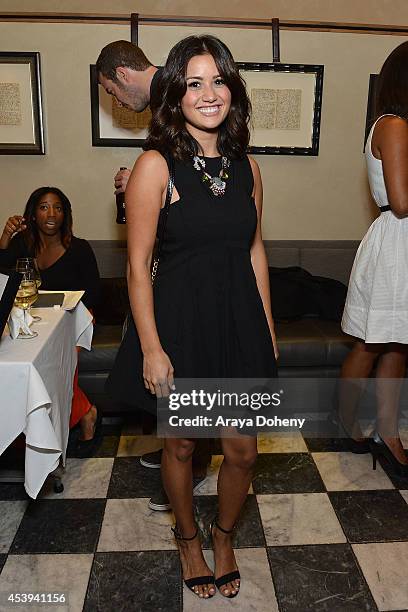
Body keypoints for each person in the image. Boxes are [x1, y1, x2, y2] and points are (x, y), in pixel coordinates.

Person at [107, 34, 278, 598]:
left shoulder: (248, 168)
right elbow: (136, 268)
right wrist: (152, 348)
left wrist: (267, 326)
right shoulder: (155, 164)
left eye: (219, 80)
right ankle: (187, 540)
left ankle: (224, 535)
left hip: (239, 322)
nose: (209, 93)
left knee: (242, 451)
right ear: (176, 92)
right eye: (195, 82)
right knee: (181, 445)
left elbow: (255, 250)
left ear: (233, 89)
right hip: (180, 323)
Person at [97, 39, 212, 505]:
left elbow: (203, 162)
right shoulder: (163, 101)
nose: (115, 101)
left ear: (123, 75)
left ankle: (191, 461)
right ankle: (177, 449)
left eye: (110, 91)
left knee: (192, 363)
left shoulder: (173, 87)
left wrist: (154, 179)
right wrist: (143, 182)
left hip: (193, 265)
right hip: (172, 260)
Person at [341, 41, 408, 476]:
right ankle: (345, 423)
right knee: (370, 342)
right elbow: (402, 201)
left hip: (401, 241)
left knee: (398, 341)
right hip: (397, 240)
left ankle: (388, 433)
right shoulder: (395, 125)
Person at [0, 187, 101, 454]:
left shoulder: (79, 249)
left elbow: (94, 295)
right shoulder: (23, 245)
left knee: (56, 361)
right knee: (22, 361)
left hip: (74, 321)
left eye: (57, 207)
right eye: (44, 207)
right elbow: (2, 277)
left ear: (65, 214)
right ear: (33, 214)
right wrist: (6, 236)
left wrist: (75, 316)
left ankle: (84, 414)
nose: (51, 213)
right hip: (31, 320)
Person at [96, 40, 162, 196]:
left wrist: (138, 182)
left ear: (122, 74)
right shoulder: (162, 97)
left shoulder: (172, 99)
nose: (118, 103)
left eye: (111, 91)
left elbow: (190, 175)